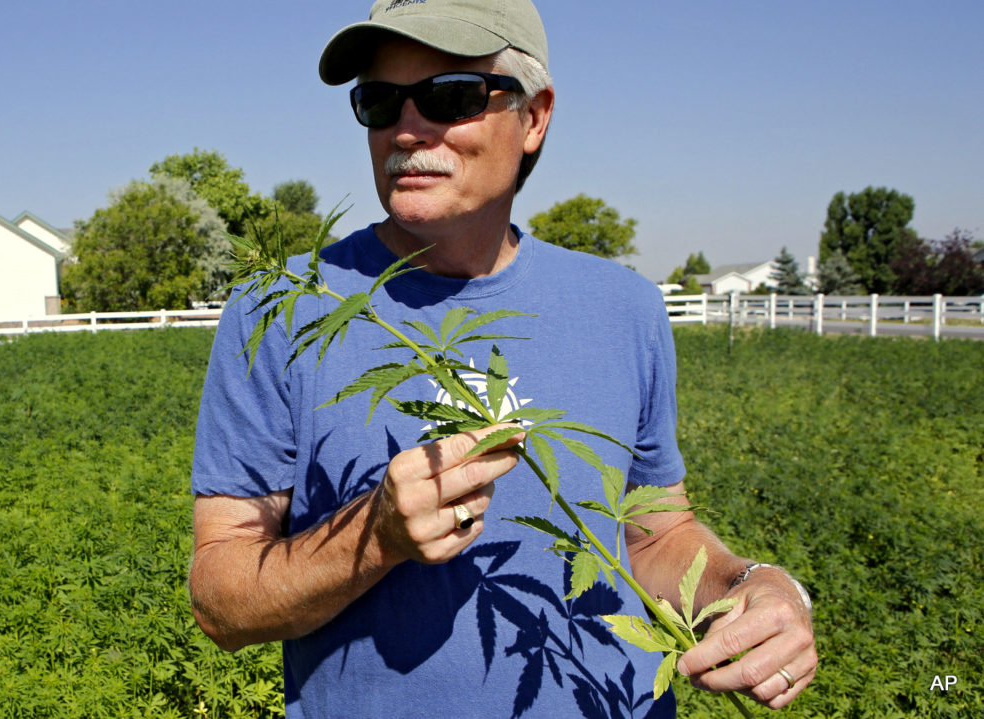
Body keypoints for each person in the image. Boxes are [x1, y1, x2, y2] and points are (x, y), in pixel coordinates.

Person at [189, 1, 817, 716]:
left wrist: (757, 587)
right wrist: (374, 536)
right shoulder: (278, 309)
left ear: (536, 116)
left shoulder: (625, 307)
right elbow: (220, 599)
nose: (406, 128)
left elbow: (655, 534)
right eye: (378, 101)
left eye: (448, 94)